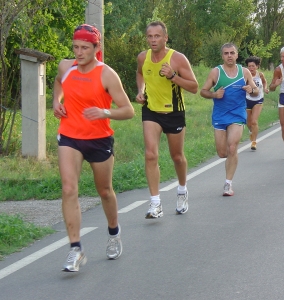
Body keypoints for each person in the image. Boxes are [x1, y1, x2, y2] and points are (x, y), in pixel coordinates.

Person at [53, 24, 135, 272]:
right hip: (69, 136)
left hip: (99, 139)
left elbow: (128, 110)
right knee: (69, 189)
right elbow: (58, 83)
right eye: (76, 47)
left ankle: (113, 232)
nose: (79, 53)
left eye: (85, 48)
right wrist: (56, 101)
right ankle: (75, 249)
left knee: (105, 191)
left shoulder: (106, 74)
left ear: (96, 48)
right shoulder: (65, 67)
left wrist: (104, 112)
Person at [136, 21, 198, 219]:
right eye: (150, 36)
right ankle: (155, 203)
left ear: (165, 37)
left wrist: (173, 76)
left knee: (177, 156)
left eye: (157, 36)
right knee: (150, 155)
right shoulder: (142, 57)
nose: (153, 40)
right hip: (151, 111)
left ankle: (182, 191)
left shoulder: (178, 59)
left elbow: (194, 87)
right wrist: (141, 91)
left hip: (174, 112)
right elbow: (140, 74)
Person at [200, 43, 259, 196]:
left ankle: (228, 184)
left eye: (232, 53)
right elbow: (203, 91)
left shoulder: (244, 72)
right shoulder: (216, 72)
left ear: (237, 55)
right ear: (222, 56)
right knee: (222, 153)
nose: (229, 56)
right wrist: (214, 95)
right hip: (220, 115)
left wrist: (251, 90)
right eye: (226, 53)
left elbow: (255, 90)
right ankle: (230, 160)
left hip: (237, 114)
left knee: (232, 147)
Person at [244, 56, 269, 150]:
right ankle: (251, 131)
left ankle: (254, 142)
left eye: (253, 66)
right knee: (249, 123)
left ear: (257, 66)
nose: (251, 68)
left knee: (254, 121)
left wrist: (265, 88)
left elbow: (264, 82)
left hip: (258, 100)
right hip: (247, 99)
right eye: (249, 66)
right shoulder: (245, 76)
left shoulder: (260, 75)